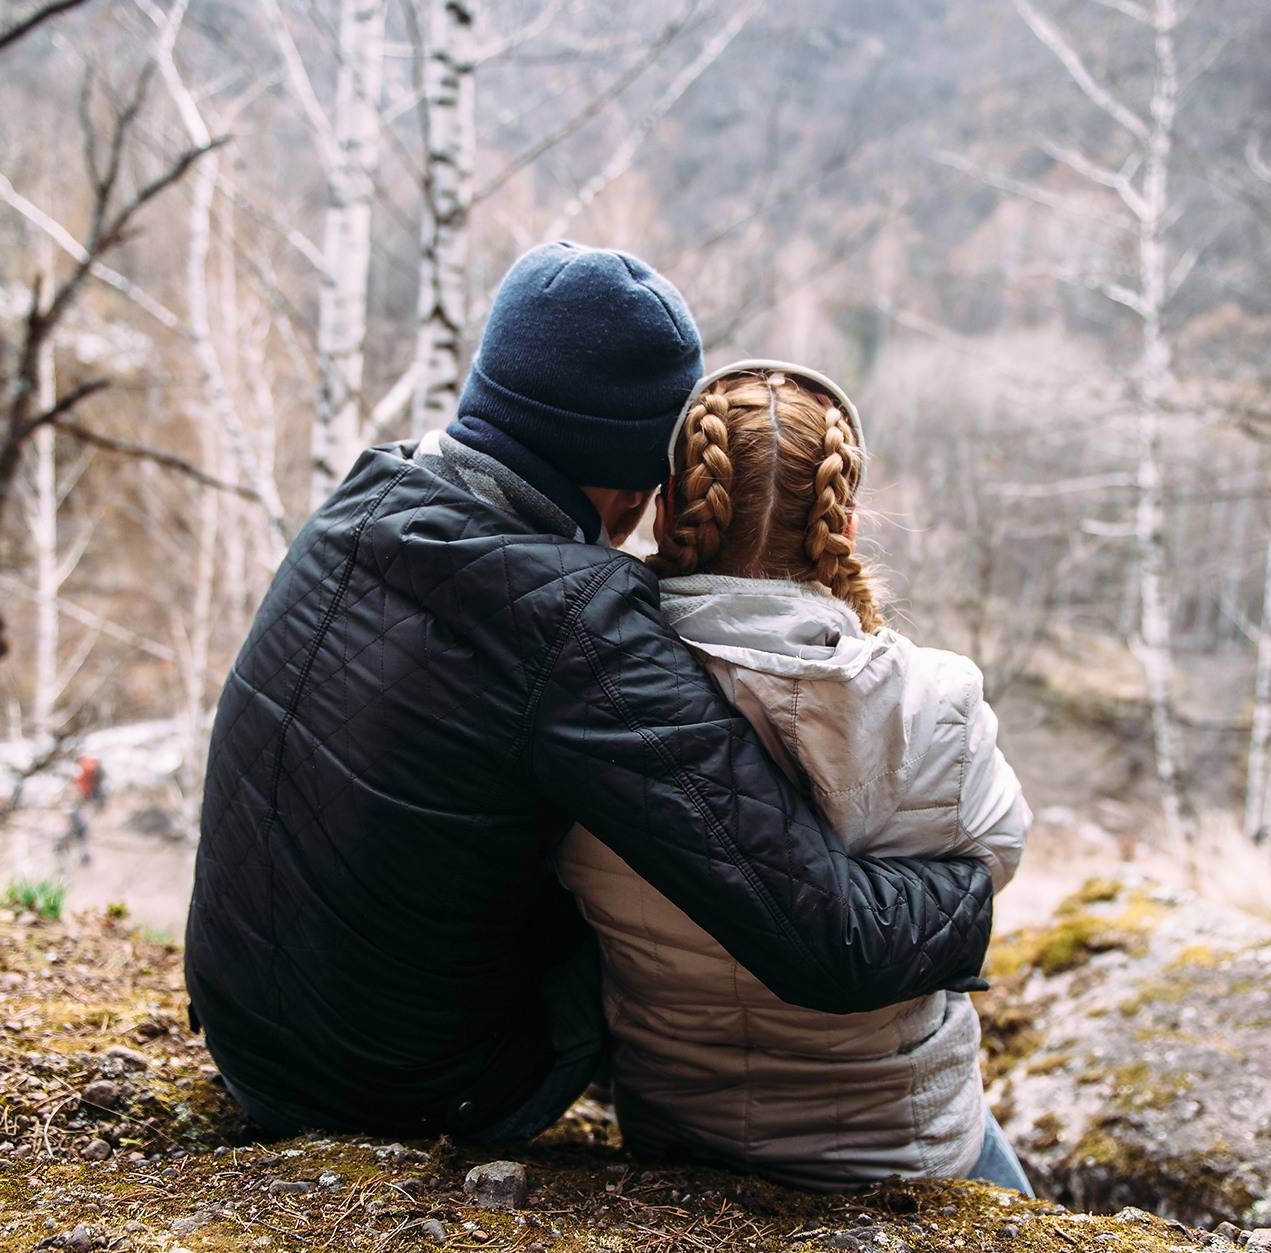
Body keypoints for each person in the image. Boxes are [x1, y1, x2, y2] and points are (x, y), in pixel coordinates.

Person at [184, 243, 997, 1143]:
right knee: (652, 912)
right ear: (635, 488)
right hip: (401, 1087)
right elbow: (825, 942)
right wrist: (974, 893)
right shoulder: (576, 623)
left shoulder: (362, 500)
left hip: (249, 1032)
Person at [558, 361, 1036, 1193]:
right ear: (842, 522)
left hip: (679, 1127)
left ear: (670, 509)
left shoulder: (592, 697)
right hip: (908, 1143)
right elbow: (996, 858)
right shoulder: (938, 702)